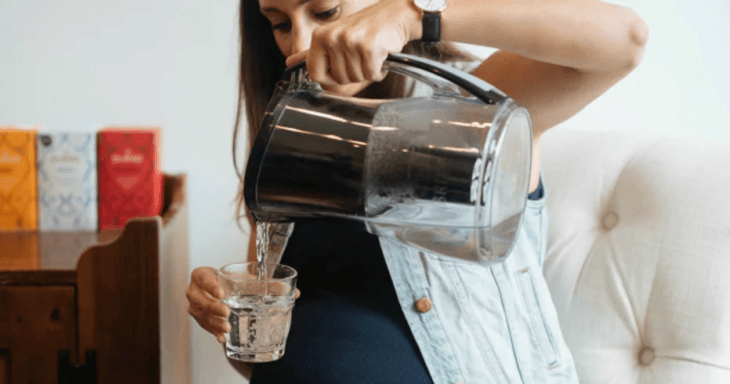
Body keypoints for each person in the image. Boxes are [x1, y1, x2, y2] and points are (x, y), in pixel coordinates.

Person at [187, 0, 649, 382]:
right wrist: (228, 318)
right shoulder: (288, 152)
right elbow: (256, 361)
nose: (303, 44)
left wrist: (414, 14)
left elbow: (625, 42)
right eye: (281, 25)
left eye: (325, 12)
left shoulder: (471, 111)